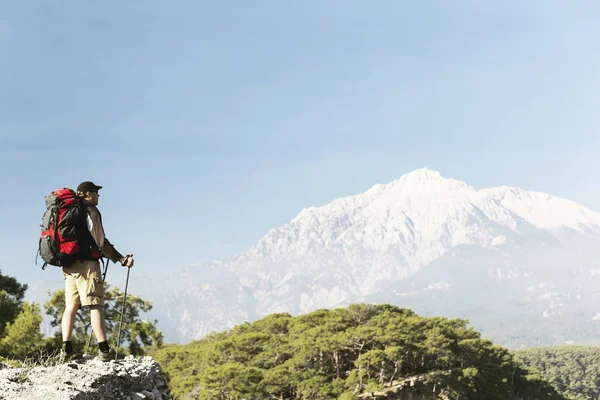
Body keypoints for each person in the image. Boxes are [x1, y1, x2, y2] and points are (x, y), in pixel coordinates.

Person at [60, 181, 134, 361]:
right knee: (95, 305)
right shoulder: (90, 210)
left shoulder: (69, 211)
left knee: (71, 306)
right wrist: (120, 258)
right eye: (95, 192)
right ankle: (104, 350)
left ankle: (66, 351)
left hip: (69, 264)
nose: (98, 195)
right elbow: (100, 240)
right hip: (87, 265)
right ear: (87, 194)